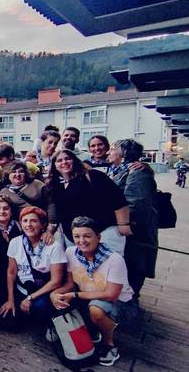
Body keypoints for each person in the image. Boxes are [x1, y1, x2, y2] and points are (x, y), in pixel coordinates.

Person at [51, 216, 139, 367]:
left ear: (98, 237)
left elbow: (111, 294)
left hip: (121, 304)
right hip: (89, 297)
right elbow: (70, 284)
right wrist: (55, 294)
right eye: (77, 236)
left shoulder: (114, 259)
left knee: (96, 309)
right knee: (61, 300)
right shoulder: (71, 253)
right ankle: (93, 330)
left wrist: (75, 295)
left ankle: (109, 345)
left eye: (87, 236)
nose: (82, 241)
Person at [45, 149, 130, 253]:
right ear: (55, 166)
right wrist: (49, 231)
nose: (64, 162)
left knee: (107, 267)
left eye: (68, 158)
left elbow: (118, 199)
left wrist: (123, 224)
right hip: (74, 238)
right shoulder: (56, 186)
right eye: (59, 160)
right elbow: (55, 213)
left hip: (103, 232)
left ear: (75, 161)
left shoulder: (92, 176)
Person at [0, 207, 65, 335]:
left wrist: (30, 298)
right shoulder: (15, 242)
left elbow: (56, 281)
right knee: (6, 321)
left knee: (39, 307)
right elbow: (11, 272)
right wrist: (10, 299)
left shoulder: (53, 246)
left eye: (34, 221)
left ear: (43, 224)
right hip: (23, 288)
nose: (28, 225)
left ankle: (48, 321)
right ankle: (26, 314)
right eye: (25, 221)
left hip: (43, 291)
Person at [107, 139, 159, 296]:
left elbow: (135, 205)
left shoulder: (137, 172)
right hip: (123, 232)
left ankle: (129, 308)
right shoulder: (118, 170)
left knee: (132, 273)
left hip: (134, 235)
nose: (108, 152)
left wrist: (114, 220)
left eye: (112, 149)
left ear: (123, 153)